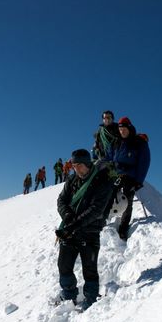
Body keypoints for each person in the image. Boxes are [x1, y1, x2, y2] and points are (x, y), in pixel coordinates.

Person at [55, 149, 114, 311]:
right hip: (70, 229)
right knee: (64, 265)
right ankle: (68, 294)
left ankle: (91, 297)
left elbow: (96, 210)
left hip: (90, 232)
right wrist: (67, 215)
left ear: (88, 164)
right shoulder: (72, 180)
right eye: (74, 166)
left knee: (89, 268)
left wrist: (72, 224)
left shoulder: (102, 181)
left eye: (79, 165)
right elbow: (61, 200)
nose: (76, 169)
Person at [113, 116, 151, 240]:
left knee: (126, 201)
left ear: (129, 128)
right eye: (120, 129)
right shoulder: (118, 142)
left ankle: (123, 229)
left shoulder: (138, 142)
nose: (122, 131)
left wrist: (138, 181)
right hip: (117, 174)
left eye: (124, 129)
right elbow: (110, 157)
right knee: (109, 195)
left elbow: (144, 163)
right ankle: (106, 221)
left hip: (130, 177)